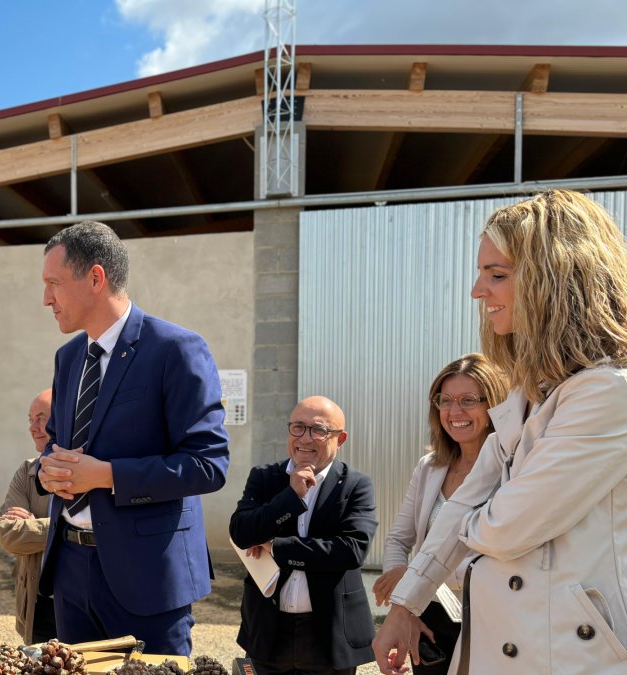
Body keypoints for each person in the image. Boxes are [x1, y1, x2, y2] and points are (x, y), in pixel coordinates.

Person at [373, 189, 627, 674]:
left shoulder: (608, 393)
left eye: (497, 275)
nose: (477, 290)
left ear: (554, 279)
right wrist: (405, 607)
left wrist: (472, 518)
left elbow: (508, 526)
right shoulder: (529, 394)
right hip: (504, 646)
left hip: (569, 656)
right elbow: (471, 505)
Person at [35, 220, 230, 656]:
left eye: (53, 283)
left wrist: (106, 475)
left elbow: (208, 464)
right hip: (70, 571)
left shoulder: (175, 349)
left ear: (96, 278)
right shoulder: (68, 359)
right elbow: (55, 442)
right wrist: (52, 470)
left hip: (147, 578)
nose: (46, 298)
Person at [371, 355, 508, 674]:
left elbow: (500, 556)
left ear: (494, 405)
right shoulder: (430, 467)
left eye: (468, 400)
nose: (454, 411)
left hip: (493, 620)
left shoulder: (513, 470)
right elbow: (397, 540)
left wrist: (414, 577)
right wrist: (407, 609)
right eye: (445, 400)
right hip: (429, 620)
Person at [229, 396, 377, 675]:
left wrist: (275, 547)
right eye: (298, 427)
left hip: (328, 631)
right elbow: (241, 532)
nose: (305, 438)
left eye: (319, 430)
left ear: (340, 438)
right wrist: (291, 496)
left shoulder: (356, 485)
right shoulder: (265, 478)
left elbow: (350, 550)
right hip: (269, 629)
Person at [0, 388, 57, 645]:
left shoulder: (90, 469)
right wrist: (63, 531)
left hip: (82, 606)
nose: (33, 427)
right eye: (30, 419)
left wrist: (33, 526)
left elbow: (98, 530)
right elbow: (9, 535)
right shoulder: (27, 472)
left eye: (42, 418)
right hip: (37, 607)